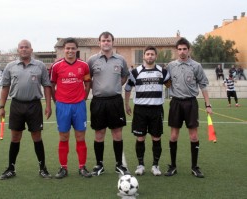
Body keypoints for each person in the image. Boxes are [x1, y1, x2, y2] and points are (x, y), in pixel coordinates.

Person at [0, 39, 52, 180]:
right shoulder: (11, 66)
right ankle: (11, 168)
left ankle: (42, 169)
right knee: (15, 137)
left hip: (34, 105)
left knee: (37, 137)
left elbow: (47, 86)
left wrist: (48, 105)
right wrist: (1, 107)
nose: (24, 49)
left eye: (26, 47)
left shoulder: (40, 66)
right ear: (18, 50)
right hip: (16, 105)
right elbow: (5, 87)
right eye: (21, 47)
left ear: (31, 50)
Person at [165, 37, 212, 178]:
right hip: (176, 103)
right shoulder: (171, 66)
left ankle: (194, 167)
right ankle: (173, 166)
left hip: (191, 103)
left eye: (184, 49)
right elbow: (167, 83)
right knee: (173, 135)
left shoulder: (196, 66)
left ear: (189, 50)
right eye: (179, 49)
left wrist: (208, 104)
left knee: (193, 136)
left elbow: (203, 85)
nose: (182, 52)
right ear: (176, 51)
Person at [87, 31, 130, 176]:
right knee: (99, 134)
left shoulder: (121, 60)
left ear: (113, 42)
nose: (106, 43)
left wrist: (114, 86)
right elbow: (88, 79)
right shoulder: (92, 60)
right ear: (99, 43)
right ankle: (99, 165)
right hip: (98, 101)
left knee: (117, 133)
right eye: (103, 40)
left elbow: (124, 77)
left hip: (115, 101)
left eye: (108, 40)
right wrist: (99, 88)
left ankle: (119, 164)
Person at [125, 46, 171, 176]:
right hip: (140, 109)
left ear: (156, 56)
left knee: (156, 138)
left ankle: (155, 166)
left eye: (152, 54)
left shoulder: (162, 71)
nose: (150, 56)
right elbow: (128, 88)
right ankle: (140, 165)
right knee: (140, 138)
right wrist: (126, 104)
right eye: (147, 54)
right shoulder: (135, 72)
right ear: (144, 56)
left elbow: (169, 85)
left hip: (156, 109)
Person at [50, 38, 92, 179]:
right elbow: (51, 85)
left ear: (76, 49)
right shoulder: (56, 66)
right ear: (63, 49)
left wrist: (83, 98)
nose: (70, 51)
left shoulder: (84, 66)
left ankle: (82, 167)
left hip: (79, 106)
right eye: (67, 48)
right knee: (64, 137)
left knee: (80, 137)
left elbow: (87, 83)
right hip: (62, 106)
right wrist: (57, 102)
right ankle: (63, 168)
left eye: (73, 48)